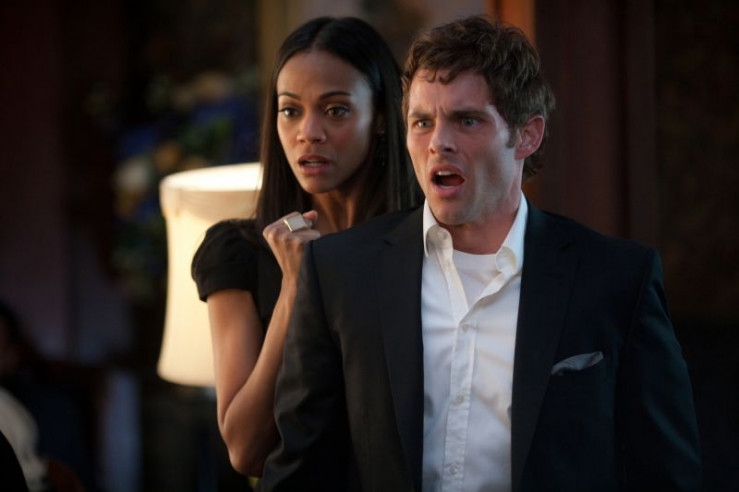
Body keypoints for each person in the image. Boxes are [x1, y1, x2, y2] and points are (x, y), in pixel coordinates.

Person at [259, 15, 702, 491]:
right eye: (422, 122)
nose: (438, 143)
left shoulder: (617, 279)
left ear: (527, 135)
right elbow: (299, 472)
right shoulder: (340, 272)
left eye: (466, 120)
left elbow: (666, 474)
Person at [191, 16, 419, 478]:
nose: (307, 132)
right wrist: (296, 284)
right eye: (290, 110)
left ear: (381, 117)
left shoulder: (425, 243)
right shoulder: (237, 251)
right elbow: (245, 450)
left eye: (335, 110)